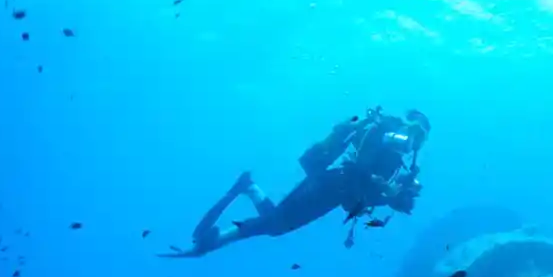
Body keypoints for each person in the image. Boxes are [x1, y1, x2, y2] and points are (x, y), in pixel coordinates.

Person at [161, 107, 431, 258]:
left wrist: (393, 198)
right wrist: (388, 190)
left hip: (335, 194)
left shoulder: (395, 161)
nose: (413, 143)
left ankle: (243, 195)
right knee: (276, 223)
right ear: (404, 126)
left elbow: (366, 196)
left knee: (277, 225)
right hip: (328, 183)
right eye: (414, 133)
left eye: (420, 140)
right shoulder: (378, 134)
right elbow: (358, 170)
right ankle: (216, 234)